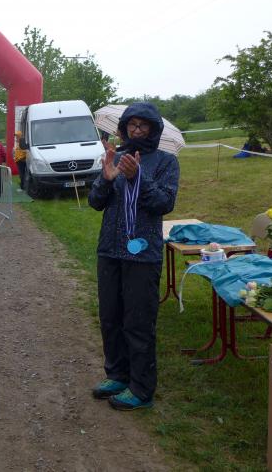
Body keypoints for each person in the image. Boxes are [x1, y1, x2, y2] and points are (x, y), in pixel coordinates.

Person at [87, 102, 179, 411]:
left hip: (142, 253)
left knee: (138, 322)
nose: (136, 130)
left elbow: (164, 203)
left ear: (153, 130)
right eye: (132, 125)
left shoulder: (166, 162)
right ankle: (117, 375)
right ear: (124, 128)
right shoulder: (114, 158)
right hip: (110, 250)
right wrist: (106, 178)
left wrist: (140, 177)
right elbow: (95, 202)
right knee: (110, 318)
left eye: (143, 126)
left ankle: (141, 388)